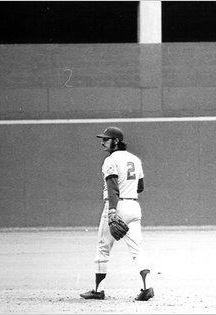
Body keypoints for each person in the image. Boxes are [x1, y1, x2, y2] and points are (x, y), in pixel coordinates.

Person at [80, 126, 154, 301]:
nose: (102, 142)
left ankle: (98, 290)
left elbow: (113, 188)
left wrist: (113, 211)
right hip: (134, 207)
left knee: (103, 247)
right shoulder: (135, 159)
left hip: (116, 206)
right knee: (137, 250)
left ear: (117, 141)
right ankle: (147, 287)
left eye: (106, 139)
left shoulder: (110, 160)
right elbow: (140, 187)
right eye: (102, 139)